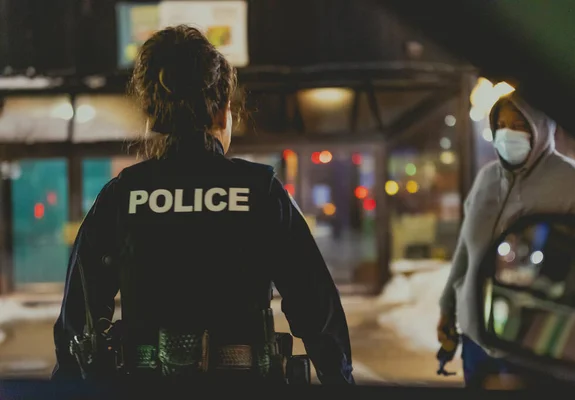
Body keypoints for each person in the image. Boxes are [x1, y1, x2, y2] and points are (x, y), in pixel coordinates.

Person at [52, 25, 354, 385]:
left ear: (153, 118)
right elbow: (316, 308)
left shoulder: (122, 196)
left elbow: (77, 321)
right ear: (222, 113)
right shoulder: (260, 192)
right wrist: (339, 380)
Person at [437, 94, 575, 389]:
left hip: (537, 343)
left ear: (539, 127)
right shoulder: (487, 180)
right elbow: (466, 251)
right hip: (479, 340)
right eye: (500, 125)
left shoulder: (573, 183)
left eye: (518, 124)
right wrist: (448, 308)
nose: (507, 133)